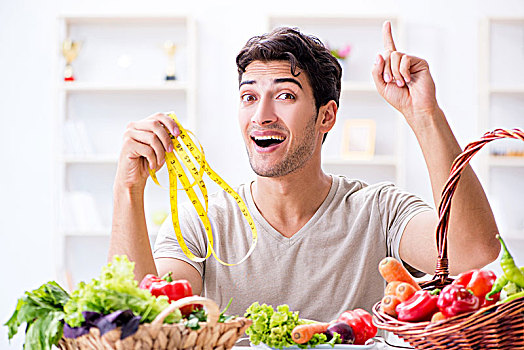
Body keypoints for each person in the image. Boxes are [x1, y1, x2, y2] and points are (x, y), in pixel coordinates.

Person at [109, 21, 500, 321]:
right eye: (249, 97)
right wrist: (128, 189)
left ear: (326, 116)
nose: (262, 116)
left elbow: (473, 252)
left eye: (285, 95)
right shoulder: (202, 222)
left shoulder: (380, 212)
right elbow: (145, 318)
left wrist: (424, 114)